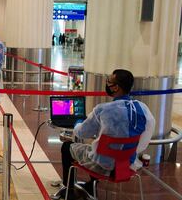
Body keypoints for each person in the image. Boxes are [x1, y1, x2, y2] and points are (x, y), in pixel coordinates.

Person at [51, 69, 155, 199]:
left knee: (67, 147)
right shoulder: (143, 109)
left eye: (109, 81)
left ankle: (69, 190)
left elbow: (82, 133)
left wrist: (77, 123)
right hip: (127, 164)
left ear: (116, 87)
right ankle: (90, 185)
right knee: (100, 149)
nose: (107, 84)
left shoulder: (103, 109)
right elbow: (146, 136)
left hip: (102, 165)